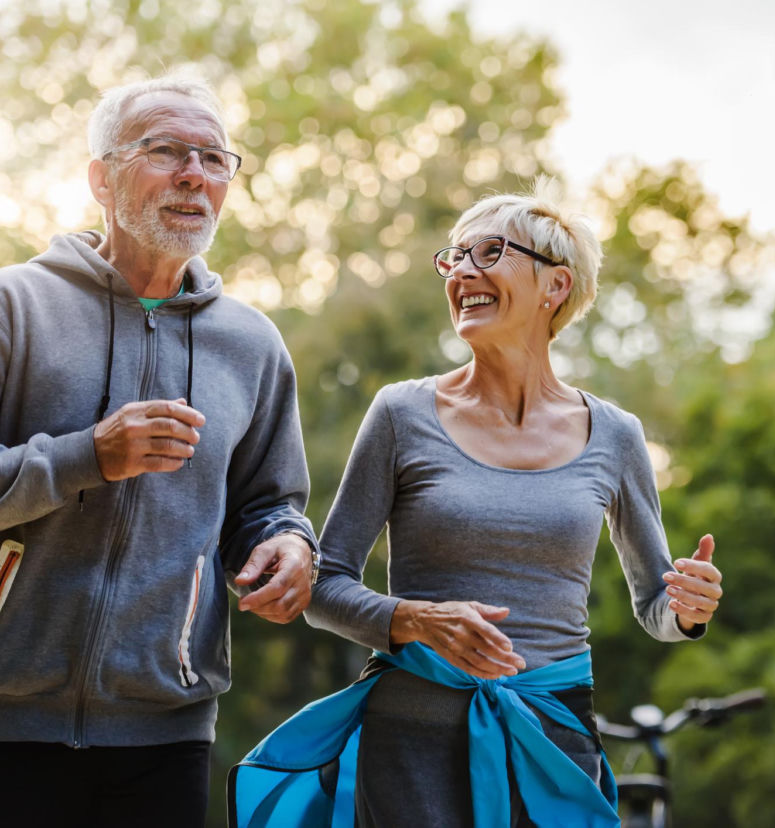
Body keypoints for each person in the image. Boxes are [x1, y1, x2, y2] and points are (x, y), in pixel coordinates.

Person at [229, 179, 722, 827]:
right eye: (454, 257)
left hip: (553, 737)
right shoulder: (402, 414)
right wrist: (416, 620)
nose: (463, 271)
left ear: (556, 286)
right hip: (412, 740)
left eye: (489, 253)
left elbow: (655, 606)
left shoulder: (617, 436)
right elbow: (323, 586)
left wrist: (688, 608)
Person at [0, 73, 319, 828]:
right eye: (167, 150)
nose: (194, 175)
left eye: (214, 159)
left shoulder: (251, 344)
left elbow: (271, 503)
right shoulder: (17, 308)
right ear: (101, 179)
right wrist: (87, 457)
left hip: (166, 732)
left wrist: (288, 545)